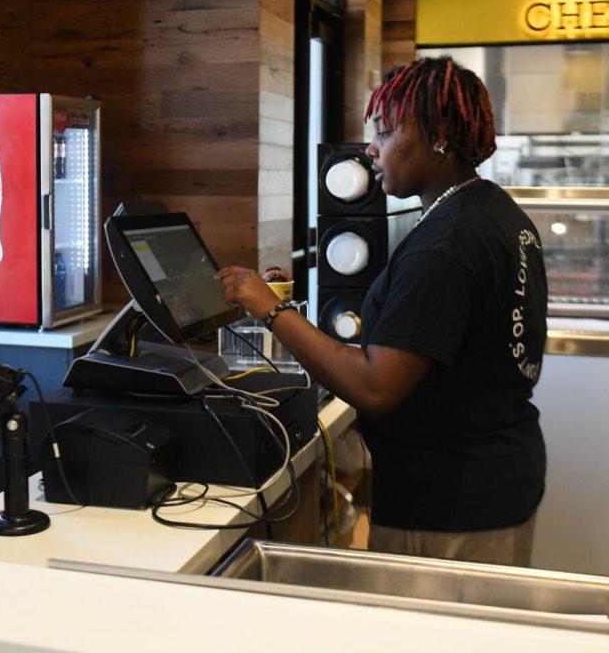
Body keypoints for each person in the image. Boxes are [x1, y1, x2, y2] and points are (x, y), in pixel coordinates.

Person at [217, 56, 547, 566]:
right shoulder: (493, 213)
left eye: (387, 132)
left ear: (438, 136)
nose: (371, 148)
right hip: (494, 477)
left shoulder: (448, 242)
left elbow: (377, 388)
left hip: (451, 501)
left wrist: (268, 308)